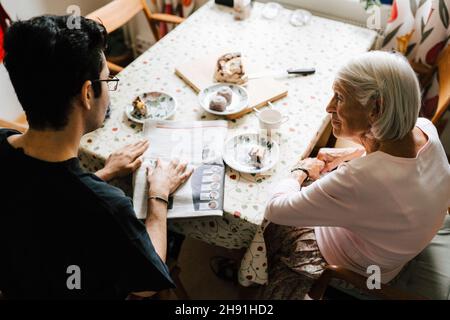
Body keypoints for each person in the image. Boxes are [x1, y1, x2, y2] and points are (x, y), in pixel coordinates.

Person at [0, 15, 192, 299]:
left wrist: (103, 173)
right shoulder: (107, 206)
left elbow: (44, 196)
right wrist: (158, 195)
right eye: (108, 79)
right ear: (88, 93)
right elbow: (147, 285)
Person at [261, 51, 450, 299]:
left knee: (267, 220)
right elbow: (391, 158)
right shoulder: (425, 129)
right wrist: (349, 154)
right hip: (397, 241)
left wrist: (301, 170)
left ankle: (256, 275)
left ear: (376, 109)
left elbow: (275, 209)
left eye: (339, 98)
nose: (329, 107)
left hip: (363, 269)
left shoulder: (359, 179)